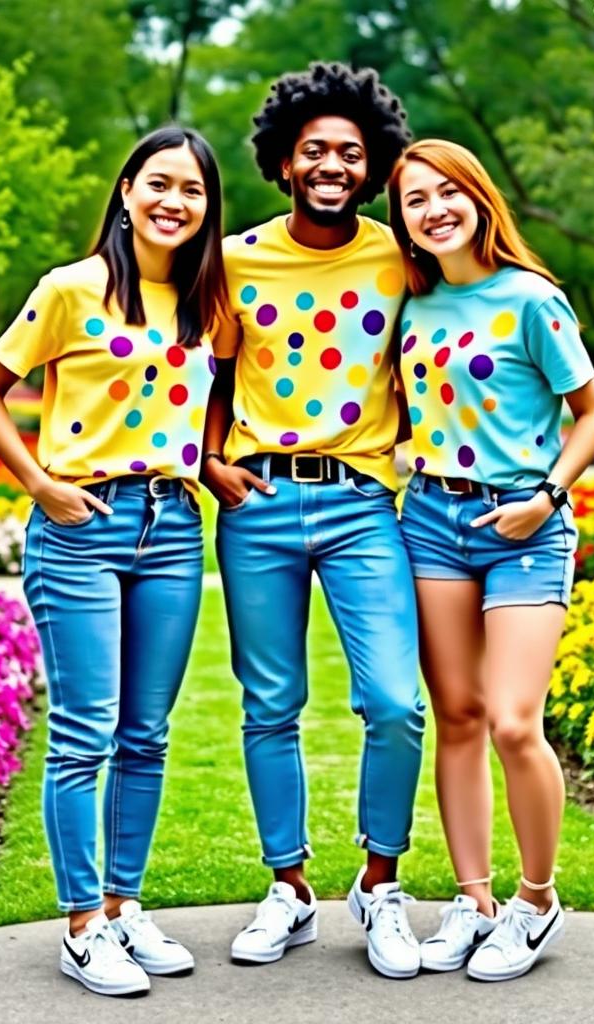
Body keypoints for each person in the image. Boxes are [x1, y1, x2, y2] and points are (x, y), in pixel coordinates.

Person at [0, 126, 228, 998]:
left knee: (146, 734)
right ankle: (80, 927)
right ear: (125, 190)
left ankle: (122, 908)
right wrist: (40, 482)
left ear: (206, 207)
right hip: (83, 522)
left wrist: (214, 463)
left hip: (173, 527)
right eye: (159, 184)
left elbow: (215, 398)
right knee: (86, 728)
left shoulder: (206, 301)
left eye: (191, 191)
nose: (173, 202)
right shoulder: (72, 290)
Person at [201, 62, 426, 980]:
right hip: (256, 504)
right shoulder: (239, 258)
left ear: (371, 166)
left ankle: (379, 884)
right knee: (270, 707)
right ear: (284, 163)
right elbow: (208, 380)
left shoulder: (398, 255)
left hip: (363, 503)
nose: (332, 164)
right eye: (313, 151)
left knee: (395, 703)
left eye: (350, 151)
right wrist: (212, 464)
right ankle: (289, 890)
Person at [387, 139, 594, 981]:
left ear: (480, 199)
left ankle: (535, 901)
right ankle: (473, 900)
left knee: (517, 722)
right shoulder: (412, 304)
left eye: (449, 192)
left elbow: (593, 413)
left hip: (524, 526)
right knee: (459, 718)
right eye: (415, 200)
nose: (435, 209)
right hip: (433, 520)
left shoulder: (532, 300)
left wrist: (546, 498)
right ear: (402, 220)